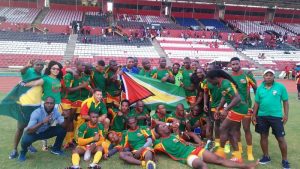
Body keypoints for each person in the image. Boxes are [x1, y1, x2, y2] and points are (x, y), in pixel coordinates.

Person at [154, 123, 258, 169]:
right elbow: (149, 146)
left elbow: (187, 139)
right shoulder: (159, 143)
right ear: (159, 131)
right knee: (203, 165)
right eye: (163, 126)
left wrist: (195, 143)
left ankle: (247, 166)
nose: (166, 126)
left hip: (195, 150)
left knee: (219, 159)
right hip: (187, 157)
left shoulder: (174, 135)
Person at [206, 69, 248, 163]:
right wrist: (218, 109)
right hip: (237, 109)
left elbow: (237, 98)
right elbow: (225, 97)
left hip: (239, 109)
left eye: (210, 80)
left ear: (216, 78)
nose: (210, 83)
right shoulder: (221, 84)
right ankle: (236, 155)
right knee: (230, 131)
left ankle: (222, 153)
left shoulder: (225, 83)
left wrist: (226, 109)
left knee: (223, 128)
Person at [252, 69, 290, 169]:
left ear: (274, 77)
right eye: (266, 75)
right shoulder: (260, 88)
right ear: (263, 77)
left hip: (276, 117)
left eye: (270, 75)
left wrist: (286, 115)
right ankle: (266, 156)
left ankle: (285, 160)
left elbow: (285, 101)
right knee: (263, 136)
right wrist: (253, 115)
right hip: (262, 116)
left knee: (280, 138)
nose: (268, 77)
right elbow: (256, 103)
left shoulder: (280, 87)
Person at [24, 60, 63, 151]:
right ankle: (29, 143)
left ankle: (47, 145)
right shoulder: (46, 78)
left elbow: (56, 92)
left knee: (50, 126)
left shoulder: (57, 79)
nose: (56, 70)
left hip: (56, 106)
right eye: (54, 68)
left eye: (58, 69)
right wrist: (24, 84)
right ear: (50, 69)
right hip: (47, 106)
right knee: (41, 126)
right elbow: (35, 83)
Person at [9, 60, 44, 159]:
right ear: (34, 65)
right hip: (24, 105)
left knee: (32, 127)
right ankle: (14, 149)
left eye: (41, 65)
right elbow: (22, 71)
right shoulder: (29, 71)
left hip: (36, 105)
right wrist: (27, 66)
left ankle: (29, 145)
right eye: (38, 64)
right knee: (20, 128)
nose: (39, 66)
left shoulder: (42, 75)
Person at [18, 97, 67, 161]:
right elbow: (29, 130)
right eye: (47, 103)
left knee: (62, 130)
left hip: (46, 131)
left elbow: (64, 126)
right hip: (34, 133)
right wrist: (42, 122)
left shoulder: (55, 111)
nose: (49, 105)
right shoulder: (37, 112)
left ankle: (56, 149)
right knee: (25, 140)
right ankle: (23, 152)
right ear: (44, 104)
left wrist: (66, 118)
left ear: (54, 104)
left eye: (51, 103)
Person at [230, 57, 257, 161]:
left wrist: (256, 103)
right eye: (233, 64)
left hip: (246, 107)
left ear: (240, 64)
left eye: (236, 64)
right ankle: (240, 149)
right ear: (230, 65)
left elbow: (255, 88)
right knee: (236, 129)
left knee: (246, 129)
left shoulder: (247, 75)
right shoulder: (229, 77)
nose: (235, 66)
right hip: (235, 108)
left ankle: (249, 152)